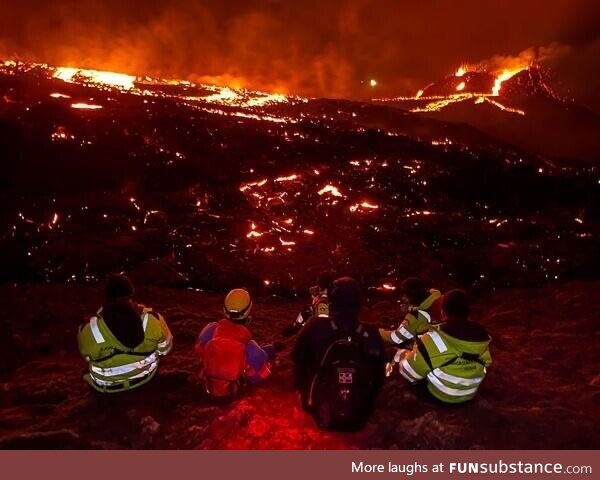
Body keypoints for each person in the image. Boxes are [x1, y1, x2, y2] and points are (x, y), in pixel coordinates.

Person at [293, 277, 386, 430]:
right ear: (358, 303)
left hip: (316, 411)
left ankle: (306, 399)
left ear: (331, 301)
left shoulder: (316, 327)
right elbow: (379, 377)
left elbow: (297, 356)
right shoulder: (371, 333)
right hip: (362, 417)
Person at [78, 274, 173, 393]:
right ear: (131, 294)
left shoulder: (89, 329)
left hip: (106, 386)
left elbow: (87, 356)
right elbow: (165, 349)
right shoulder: (152, 319)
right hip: (145, 377)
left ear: (105, 297)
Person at [396, 289, 492, 404]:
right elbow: (487, 363)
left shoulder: (432, 339)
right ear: (468, 312)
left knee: (415, 375)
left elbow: (408, 372)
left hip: (440, 397)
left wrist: (403, 354)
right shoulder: (481, 338)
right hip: (469, 396)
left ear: (443, 312)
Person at [195, 288, 274, 398]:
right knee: (265, 358)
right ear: (248, 314)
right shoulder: (251, 347)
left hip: (208, 387)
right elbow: (261, 373)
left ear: (224, 309)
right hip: (233, 393)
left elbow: (199, 349)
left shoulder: (210, 330)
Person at [379, 277, 443, 347]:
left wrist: (378, 332)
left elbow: (396, 338)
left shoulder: (416, 316)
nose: (404, 298)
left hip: (431, 351)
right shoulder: (441, 299)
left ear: (412, 295)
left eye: (405, 295)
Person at [282, 270, 335, 337]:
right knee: (306, 311)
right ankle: (295, 327)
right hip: (320, 316)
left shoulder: (328, 295)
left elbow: (322, 319)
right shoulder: (319, 290)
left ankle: (297, 329)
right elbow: (310, 292)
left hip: (324, 322)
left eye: (319, 280)